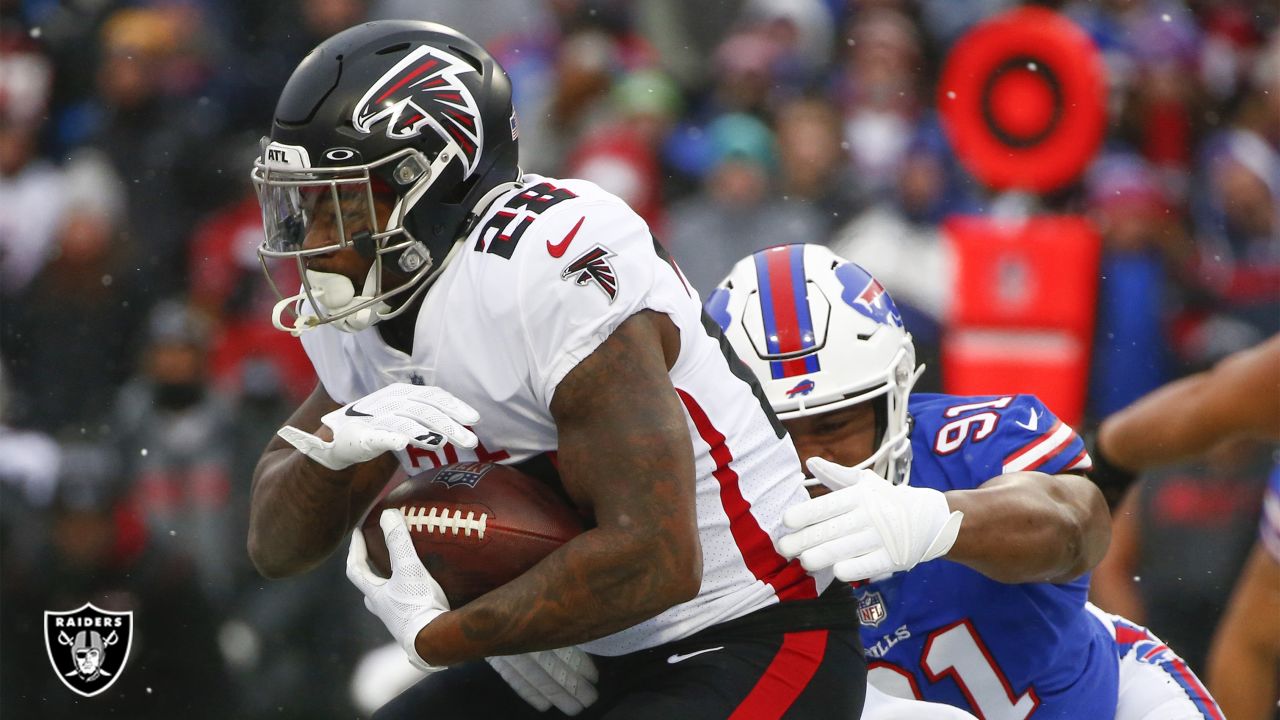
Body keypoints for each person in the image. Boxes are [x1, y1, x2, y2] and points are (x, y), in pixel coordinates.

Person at [246, 21, 866, 719]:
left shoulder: (546, 267)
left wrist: (447, 636)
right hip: (590, 646)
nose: (317, 242)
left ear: (433, 180)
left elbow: (657, 556)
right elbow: (277, 547)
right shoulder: (365, 303)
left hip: (750, 628)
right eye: (305, 205)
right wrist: (333, 452)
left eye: (343, 204)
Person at [709, 243, 1225, 719]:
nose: (807, 460)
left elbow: (1079, 525)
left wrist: (939, 520)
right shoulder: (709, 526)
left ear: (893, 398)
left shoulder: (971, 443)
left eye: (833, 424)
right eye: (774, 430)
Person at [1087, 334, 1280, 718]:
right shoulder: (1161, 470)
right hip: (1174, 631)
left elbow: (1219, 395)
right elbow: (1251, 642)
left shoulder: (1257, 464)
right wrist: (1145, 654)